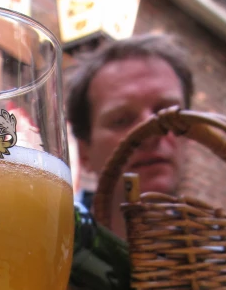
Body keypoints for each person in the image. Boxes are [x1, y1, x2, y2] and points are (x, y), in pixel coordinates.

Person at [66, 34, 194, 238]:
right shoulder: (47, 248)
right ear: (84, 152)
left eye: (169, 114)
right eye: (121, 120)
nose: (151, 132)